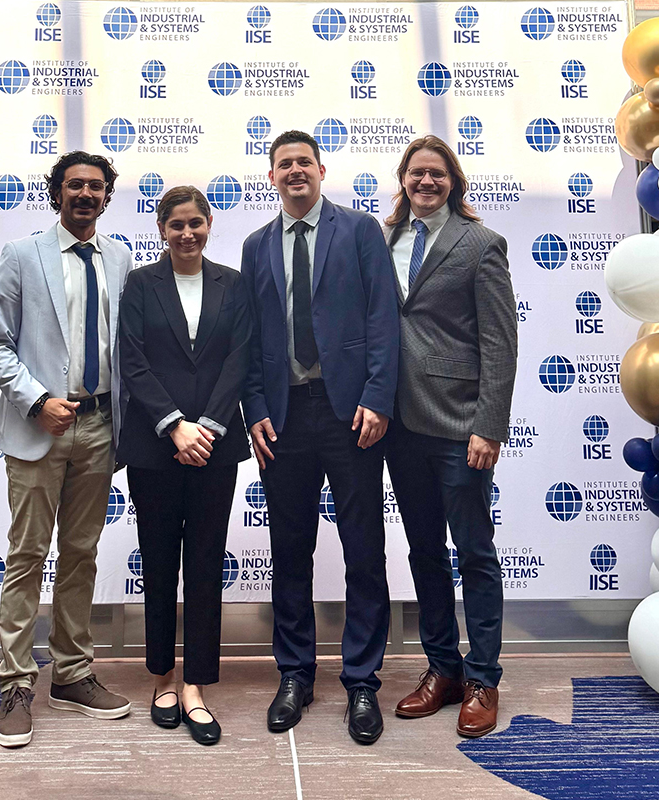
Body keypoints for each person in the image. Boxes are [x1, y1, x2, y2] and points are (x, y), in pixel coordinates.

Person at [241, 130, 399, 745]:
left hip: (350, 413)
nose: (295, 171)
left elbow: (382, 317)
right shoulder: (256, 245)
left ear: (321, 169)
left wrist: (378, 397)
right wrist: (255, 408)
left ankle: (361, 679)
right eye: (284, 164)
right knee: (289, 549)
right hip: (283, 417)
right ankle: (295, 673)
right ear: (271, 176)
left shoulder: (358, 230)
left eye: (304, 161)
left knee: (363, 547)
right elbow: (250, 337)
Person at [0, 151, 133, 748]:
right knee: (27, 554)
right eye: (75, 185)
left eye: (96, 186)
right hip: (40, 426)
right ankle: (16, 682)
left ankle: (71, 673)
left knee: (80, 553)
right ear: (57, 193)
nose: (85, 194)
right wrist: (37, 400)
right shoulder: (22, 255)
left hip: (100, 427)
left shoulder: (119, 258)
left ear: (107, 196)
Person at [383, 135, 517, 738]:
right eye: (416, 173)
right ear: (404, 180)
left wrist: (489, 425)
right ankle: (443, 669)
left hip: (461, 427)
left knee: (475, 553)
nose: (426, 182)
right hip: (400, 426)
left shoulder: (481, 244)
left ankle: (483, 677)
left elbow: (500, 343)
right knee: (424, 553)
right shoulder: (385, 239)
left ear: (453, 181)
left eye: (437, 173)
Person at [118, 186, 251, 746]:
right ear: (161, 229)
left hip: (215, 448)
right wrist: (175, 425)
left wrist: (209, 427)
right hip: (155, 448)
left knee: (203, 564)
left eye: (196, 222)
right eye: (176, 224)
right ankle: (161, 679)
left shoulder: (234, 284)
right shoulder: (139, 284)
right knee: (158, 564)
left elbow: (240, 358)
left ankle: (195, 683)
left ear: (209, 224)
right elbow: (132, 361)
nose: (187, 233)